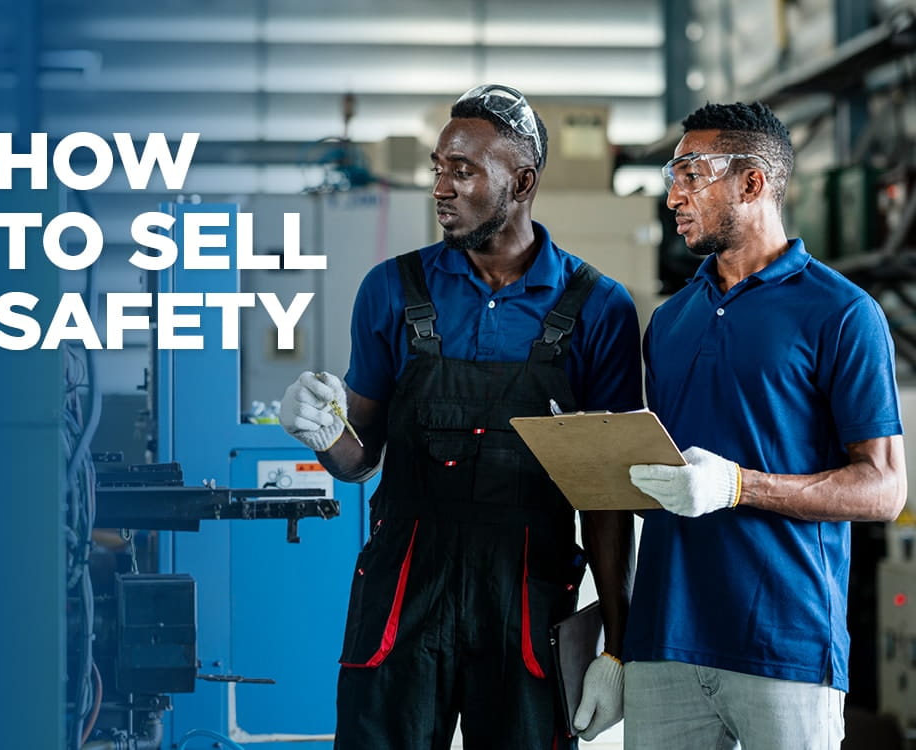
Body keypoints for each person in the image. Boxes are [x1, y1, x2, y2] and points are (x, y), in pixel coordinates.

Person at [279, 84, 642, 749]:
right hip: (405, 588)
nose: (440, 187)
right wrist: (325, 435)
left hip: (526, 593)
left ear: (522, 180)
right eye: (437, 168)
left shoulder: (598, 309)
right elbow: (361, 459)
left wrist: (618, 649)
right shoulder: (392, 290)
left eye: (463, 170)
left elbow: (607, 499)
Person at [623, 101, 908, 749]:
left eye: (691, 173)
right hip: (663, 644)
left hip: (785, 648)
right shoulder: (669, 321)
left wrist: (738, 487)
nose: (673, 195)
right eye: (675, 175)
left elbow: (884, 491)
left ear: (752, 183)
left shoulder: (842, 314)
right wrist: (617, 644)